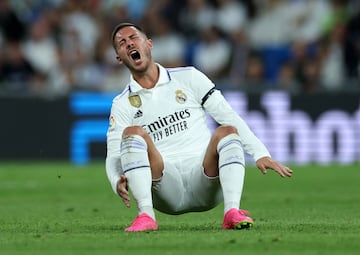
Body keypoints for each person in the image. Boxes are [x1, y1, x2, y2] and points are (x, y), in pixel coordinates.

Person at [105, 22, 293, 232]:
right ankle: (146, 215)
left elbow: (228, 115)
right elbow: (113, 153)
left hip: (206, 180)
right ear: (119, 57)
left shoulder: (189, 77)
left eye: (133, 38)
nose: (129, 43)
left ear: (149, 44)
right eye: (122, 43)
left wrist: (260, 154)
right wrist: (116, 180)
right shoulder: (122, 103)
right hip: (166, 188)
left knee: (227, 131)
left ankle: (231, 212)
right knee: (133, 134)